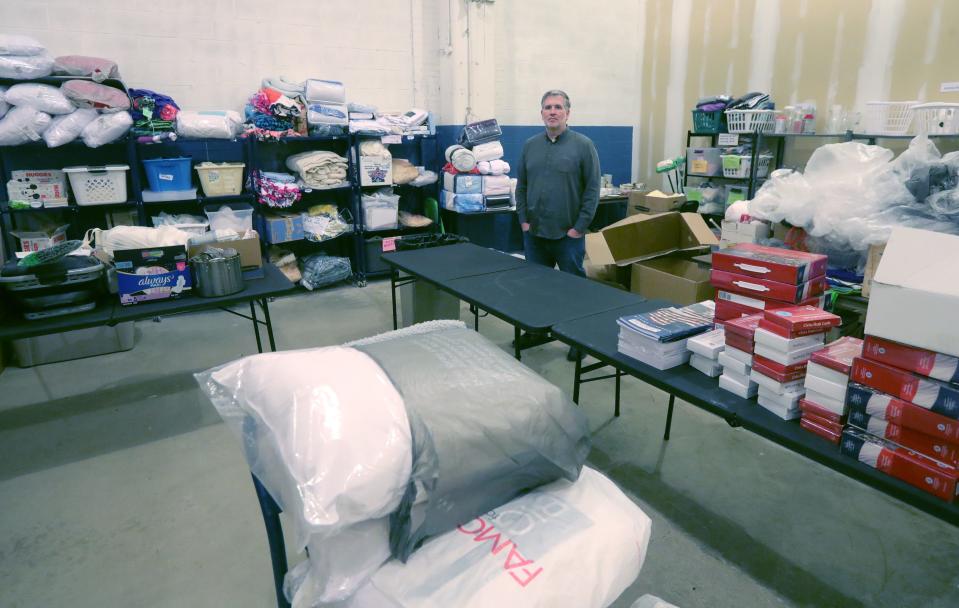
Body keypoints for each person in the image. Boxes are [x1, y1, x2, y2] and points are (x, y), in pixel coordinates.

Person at [515, 89, 601, 360]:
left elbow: (592, 189)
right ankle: (538, 331)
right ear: (541, 113)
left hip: (568, 235)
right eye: (547, 107)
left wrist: (579, 227)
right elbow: (522, 186)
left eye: (558, 107)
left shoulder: (583, 145)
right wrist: (524, 221)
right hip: (536, 234)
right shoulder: (530, 146)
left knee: (572, 289)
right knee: (536, 287)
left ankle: (579, 338)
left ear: (567, 113)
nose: (552, 112)